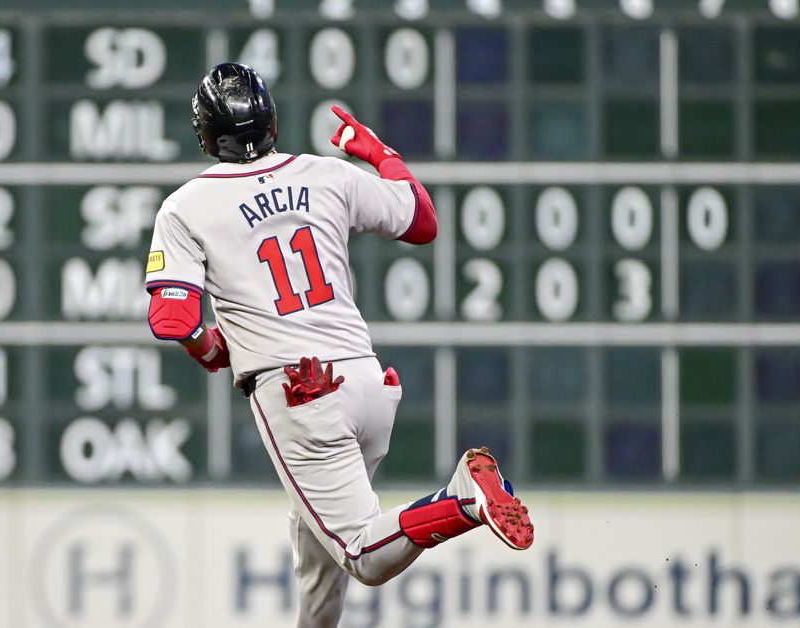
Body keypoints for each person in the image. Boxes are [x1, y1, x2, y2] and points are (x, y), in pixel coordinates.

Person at [144, 62, 533, 627]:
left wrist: (211, 350)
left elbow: (172, 318)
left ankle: (463, 498)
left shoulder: (186, 207)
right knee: (316, 556)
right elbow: (422, 220)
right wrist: (376, 151)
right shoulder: (326, 173)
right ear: (271, 120)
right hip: (367, 383)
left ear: (207, 133)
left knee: (360, 554)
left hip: (298, 393)